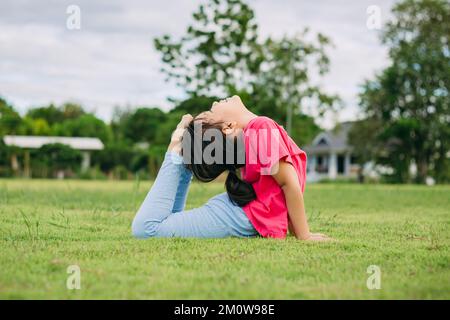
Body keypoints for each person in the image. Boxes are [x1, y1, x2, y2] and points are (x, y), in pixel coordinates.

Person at [131, 95, 330, 241]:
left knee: (155, 226)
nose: (215, 103)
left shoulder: (259, 129)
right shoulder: (261, 127)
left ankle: (180, 157)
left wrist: (299, 232)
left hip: (239, 214)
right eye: (210, 112)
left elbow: (285, 185)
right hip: (238, 215)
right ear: (227, 127)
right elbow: (288, 184)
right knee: (148, 228)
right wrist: (304, 235)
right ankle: (177, 152)